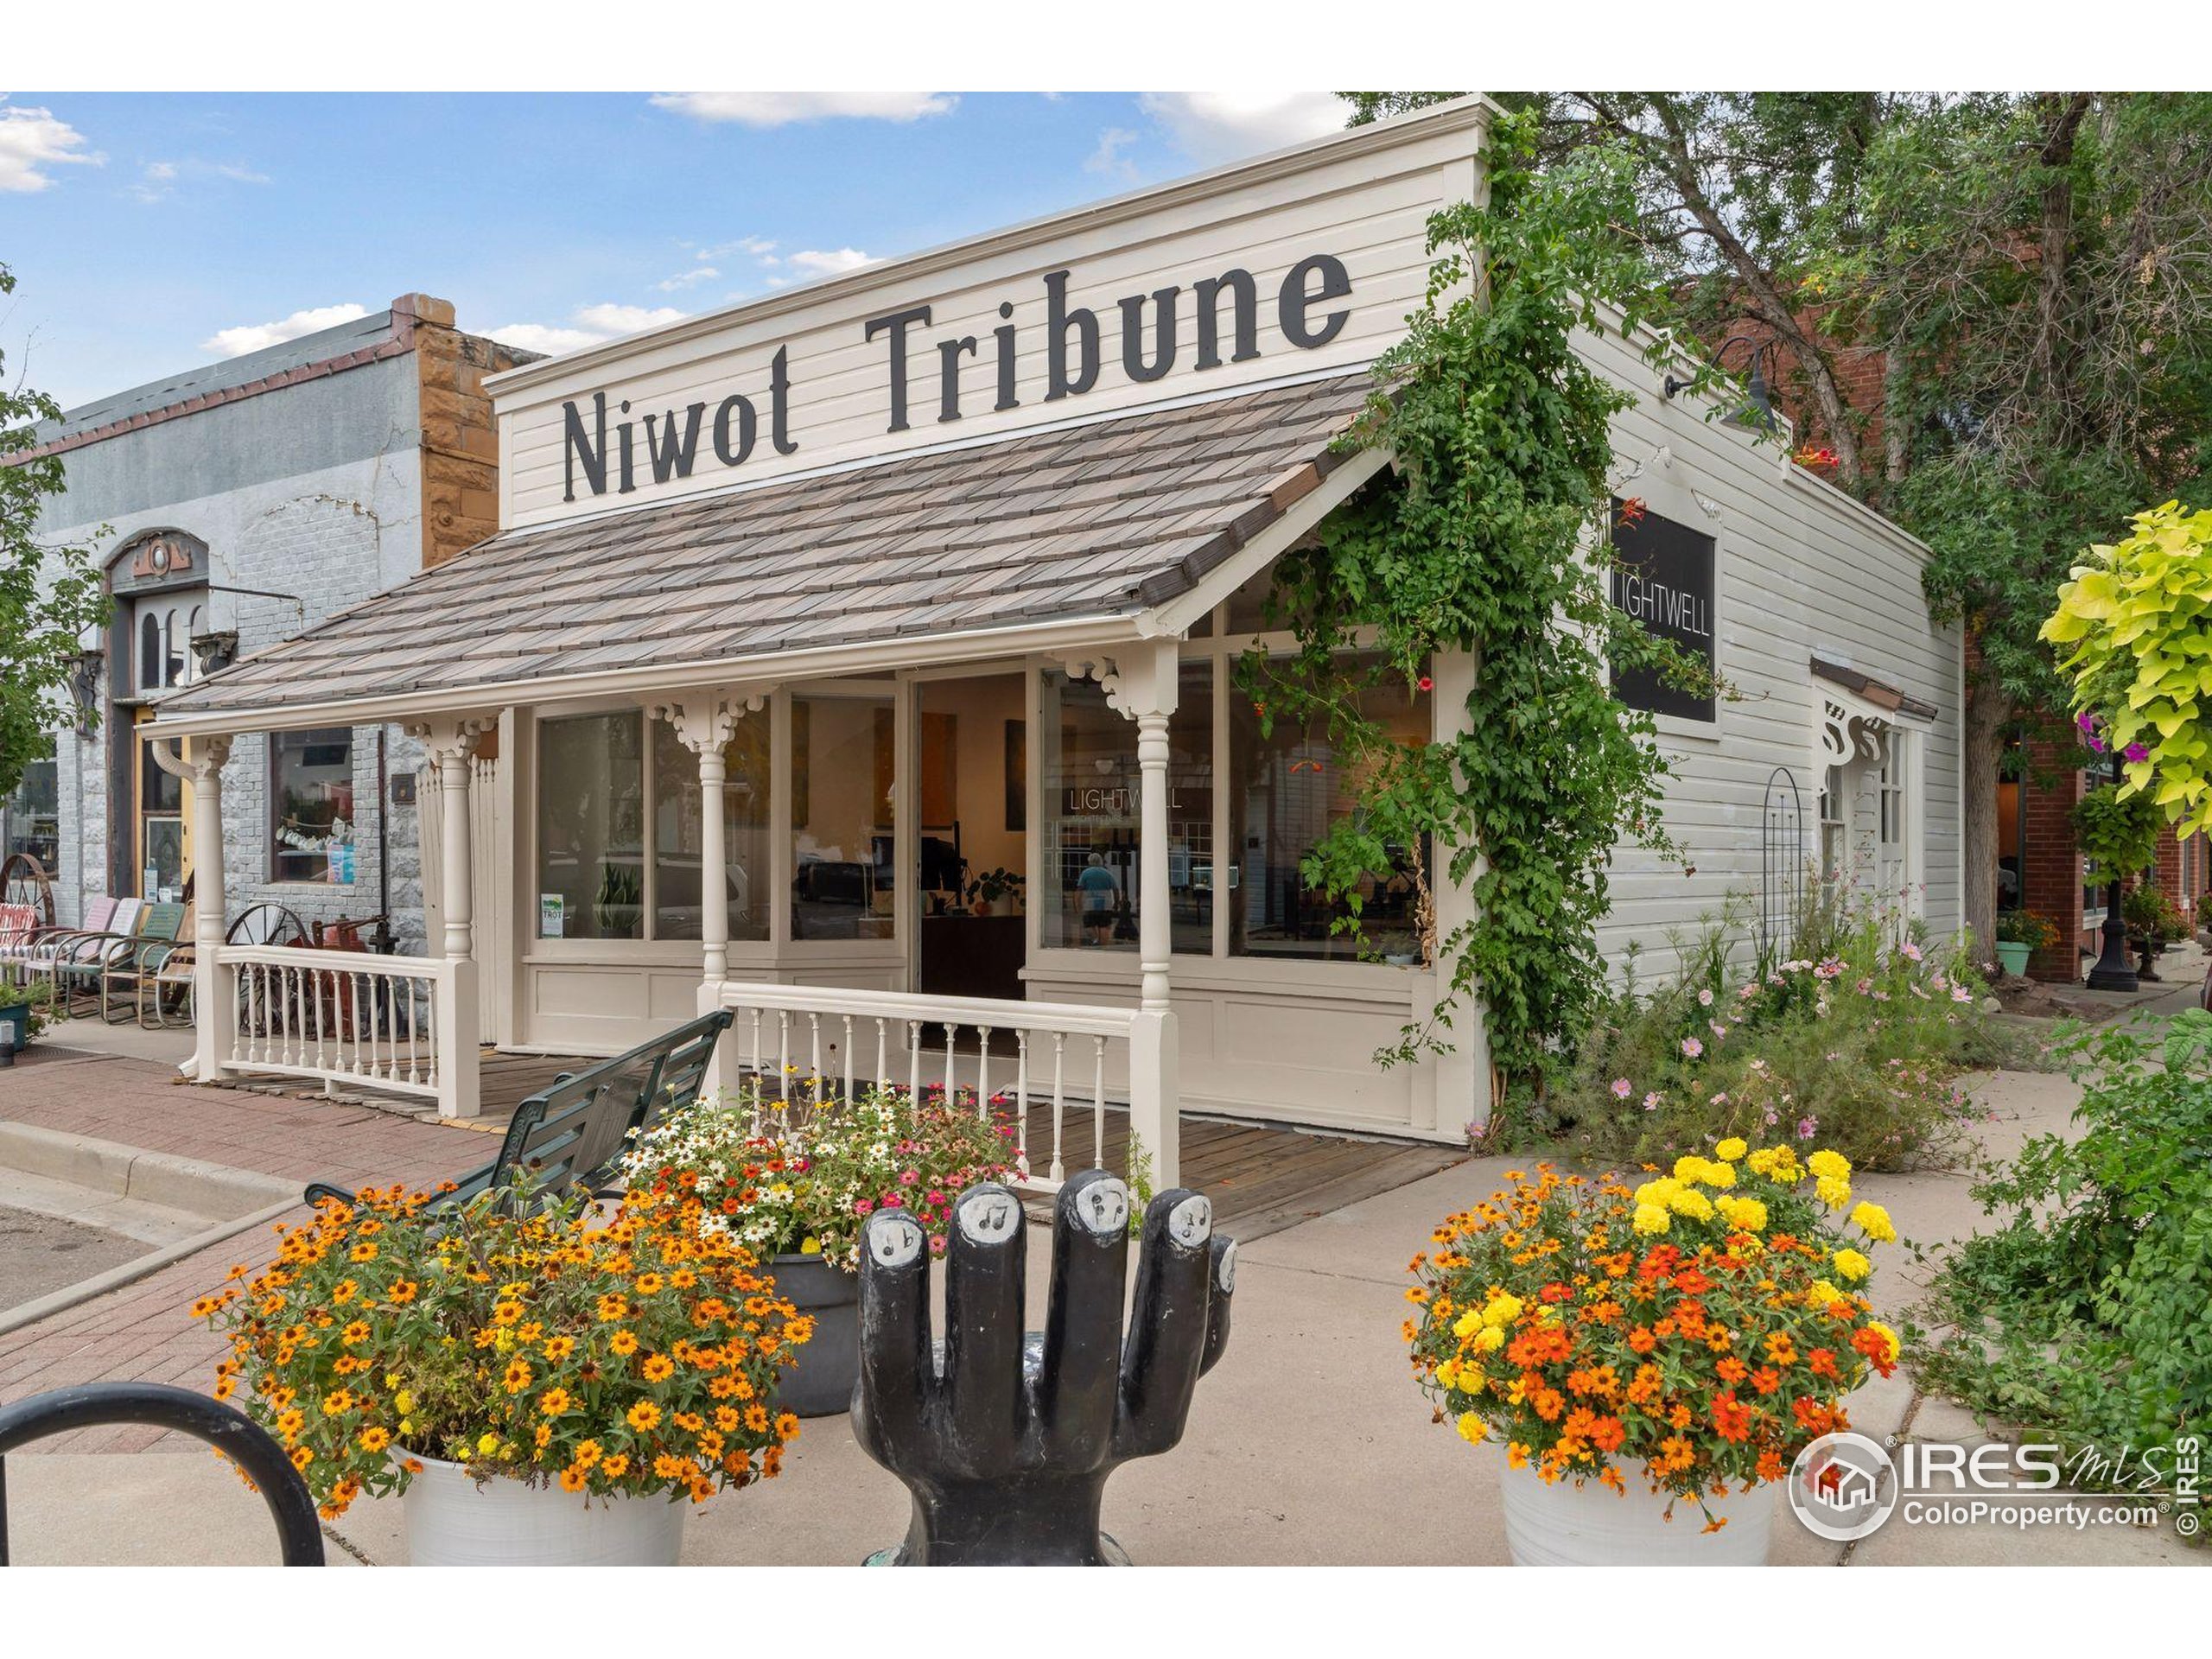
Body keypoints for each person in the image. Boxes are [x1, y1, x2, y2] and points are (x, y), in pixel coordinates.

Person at [1077, 853, 1120, 947]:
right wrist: (1116, 903)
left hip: (1090, 905)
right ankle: (1103, 946)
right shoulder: (1107, 873)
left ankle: (1095, 939)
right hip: (1105, 905)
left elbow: (1079, 890)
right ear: (1101, 862)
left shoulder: (1085, 873)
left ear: (1089, 862)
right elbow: (1115, 890)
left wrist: (1078, 905)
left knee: (1088, 924)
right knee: (1104, 925)